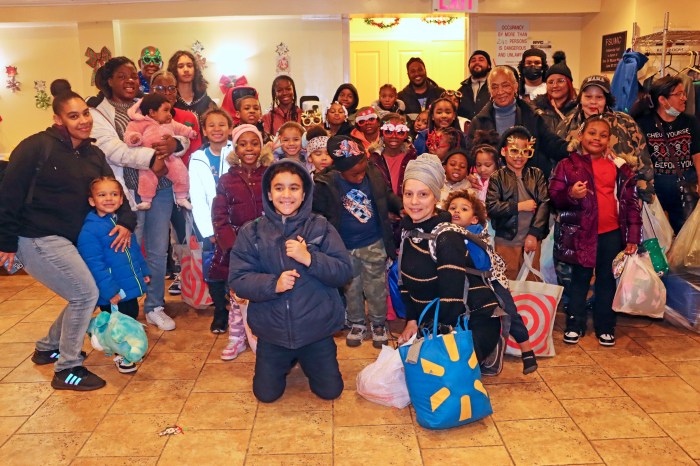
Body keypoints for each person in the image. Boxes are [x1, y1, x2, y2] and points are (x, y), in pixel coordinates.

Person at [0, 85, 136, 391]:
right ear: (58, 119)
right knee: (85, 294)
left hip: (73, 239)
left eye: (85, 113)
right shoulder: (36, 147)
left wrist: (127, 221)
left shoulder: (93, 152)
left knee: (85, 292)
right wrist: (6, 242)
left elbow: (113, 189)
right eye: (73, 116)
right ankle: (67, 369)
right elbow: (9, 195)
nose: (83, 121)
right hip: (36, 237)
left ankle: (49, 347)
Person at [228, 159, 353, 402]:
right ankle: (288, 360)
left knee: (330, 392)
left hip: (315, 330)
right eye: (279, 188)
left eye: (294, 188)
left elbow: (343, 271)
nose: (286, 195)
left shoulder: (320, 227)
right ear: (269, 192)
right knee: (265, 395)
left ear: (305, 192)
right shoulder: (251, 231)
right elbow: (239, 279)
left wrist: (310, 258)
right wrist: (273, 284)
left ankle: (307, 359)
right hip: (272, 332)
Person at [90, 57, 181, 331]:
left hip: (162, 190)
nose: (129, 81)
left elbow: (175, 129)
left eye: (132, 76)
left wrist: (176, 143)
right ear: (108, 80)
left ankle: (155, 306)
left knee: (156, 252)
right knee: (124, 252)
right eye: (121, 76)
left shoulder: (148, 103)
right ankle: (125, 310)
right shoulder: (99, 114)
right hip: (127, 196)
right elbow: (113, 150)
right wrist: (153, 156)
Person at [396, 154, 501, 368]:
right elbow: (406, 285)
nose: (414, 202)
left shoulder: (447, 237)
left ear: (436, 197)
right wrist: (412, 322)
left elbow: (452, 301)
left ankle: (488, 350)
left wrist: (435, 341)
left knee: (440, 376)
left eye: (423, 194)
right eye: (409, 194)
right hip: (434, 319)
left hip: (471, 322)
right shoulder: (409, 232)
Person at [549, 115, 642, 346]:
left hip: (611, 233)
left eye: (603, 135)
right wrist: (571, 194)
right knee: (579, 279)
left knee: (607, 280)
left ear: (609, 140)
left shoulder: (619, 166)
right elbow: (554, 197)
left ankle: (605, 325)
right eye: (592, 133)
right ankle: (574, 323)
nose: (597, 139)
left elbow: (631, 203)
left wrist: (632, 236)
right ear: (581, 136)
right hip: (581, 232)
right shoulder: (567, 165)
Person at [313, 136, 401, 348]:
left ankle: (378, 323)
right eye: (354, 174)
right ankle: (357, 322)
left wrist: (399, 207)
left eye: (363, 169)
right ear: (339, 169)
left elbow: (385, 195)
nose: (360, 175)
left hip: (374, 242)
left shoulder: (373, 172)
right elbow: (318, 212)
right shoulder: (326, 183)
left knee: (376, 287)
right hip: (344, 246)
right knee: (351, 287)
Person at [444, 189, 538, 374]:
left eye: (463, 209)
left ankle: (527, 351)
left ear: (474, 219)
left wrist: (463, 246)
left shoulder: (476, 234)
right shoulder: (447, 233)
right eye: (452, 208)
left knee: (509, 311)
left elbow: (480, 263)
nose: (456, 211)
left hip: (491, 280)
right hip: (466, 281)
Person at [77, 176, 150, 374]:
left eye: (114, 194)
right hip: (113, 289)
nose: (108, 199)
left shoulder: (119, 224)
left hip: (126, 285)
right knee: (116, 325)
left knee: (130, 316)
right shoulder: (90, 230)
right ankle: (122, 355)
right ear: (92, 201)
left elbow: (133, 250)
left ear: (120, 200)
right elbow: (94, 265)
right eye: (102, 195)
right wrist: (109, 290)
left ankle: (129, 345)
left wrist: (143, 271)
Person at [210, 125, 268, 359]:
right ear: (235, 148)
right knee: (237, 296)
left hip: (266, 247)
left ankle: (264, 336)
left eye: (254, 143)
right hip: (238, 249)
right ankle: (236, 338)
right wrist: (233, 247)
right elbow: (219, 216)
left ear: (261, 146)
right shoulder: (226, 179)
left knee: (264, 293)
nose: (249, 148)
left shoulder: (269, 174)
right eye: (243, 144)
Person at [556, 75, 655, 203]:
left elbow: (644, 163)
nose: (593, 102)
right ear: (580, 98)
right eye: (588, 96)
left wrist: (643, 196)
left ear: (606, 100)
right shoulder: (566, 126)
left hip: (621, 199)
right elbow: (556, 168)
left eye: (599, 97)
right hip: (579, 202)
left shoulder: (625, 123)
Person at [468, 65, 568, 177]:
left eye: (505, 85)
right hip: (490, 187)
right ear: (490, 90)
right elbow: (469, 157)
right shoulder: (479, 122)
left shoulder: (532, 117)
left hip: (527, 186)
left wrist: (575, 147)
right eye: (494, 87)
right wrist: (471, 175)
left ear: (515, 86)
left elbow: (552, 144)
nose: (500, 91)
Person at [634, 76, 700, 233]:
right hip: (657, 192)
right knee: (660, 237)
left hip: (686, 191)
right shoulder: (644, 124)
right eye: (679, 94)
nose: (684, 98)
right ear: (663, 100)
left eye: (684, 93)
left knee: (686, 237)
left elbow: (697, 155)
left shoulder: (690, 122)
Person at [486, 126, 550, 280]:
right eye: (514, 151)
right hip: (506, 240)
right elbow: (492, 206)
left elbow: (544, 203)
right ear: (504, 151)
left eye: (524, 151)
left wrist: (534, 234)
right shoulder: (497, 177)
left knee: (532, 280)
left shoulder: (536, 174)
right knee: (506, 280)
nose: (519, 156)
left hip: (531, 241)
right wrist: (519, 207)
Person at [124, 93, 197, 210]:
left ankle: (181, 196)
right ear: (152, 112)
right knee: (146, 178)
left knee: (181, 173)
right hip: (150, 160)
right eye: (166, 110)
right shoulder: (138, 123)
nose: (169, 114)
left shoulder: (170, 123)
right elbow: (129, 134)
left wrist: (189, 132)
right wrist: (134, 139)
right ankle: (146, 200)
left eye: (170, 110)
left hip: (171, 157)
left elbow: (181, 128)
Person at [150, 70, 201, 166]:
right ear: (150, 90)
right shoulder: (143, 117)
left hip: (183, 174)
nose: (166, 93)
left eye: (171, 88)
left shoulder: (189, 117)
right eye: (160, 88)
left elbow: (196, 153)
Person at [531, 51, 577, 133]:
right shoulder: (537, 108)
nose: (555, 86)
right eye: (551, 82)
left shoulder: (580, 109)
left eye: (560, 81)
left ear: (569, 83)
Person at [167, 50, 215, 121]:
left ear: (195, 69)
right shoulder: (169, 100)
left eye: (189, 66)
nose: (186, 70)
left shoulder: (205, 100)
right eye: (180, 66)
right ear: (174, 70)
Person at [457, 50, 493, 121]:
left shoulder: (495, 88)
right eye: (473, 61)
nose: (477, 62)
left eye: (481, 60)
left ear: (489, 65)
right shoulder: (461, 91)